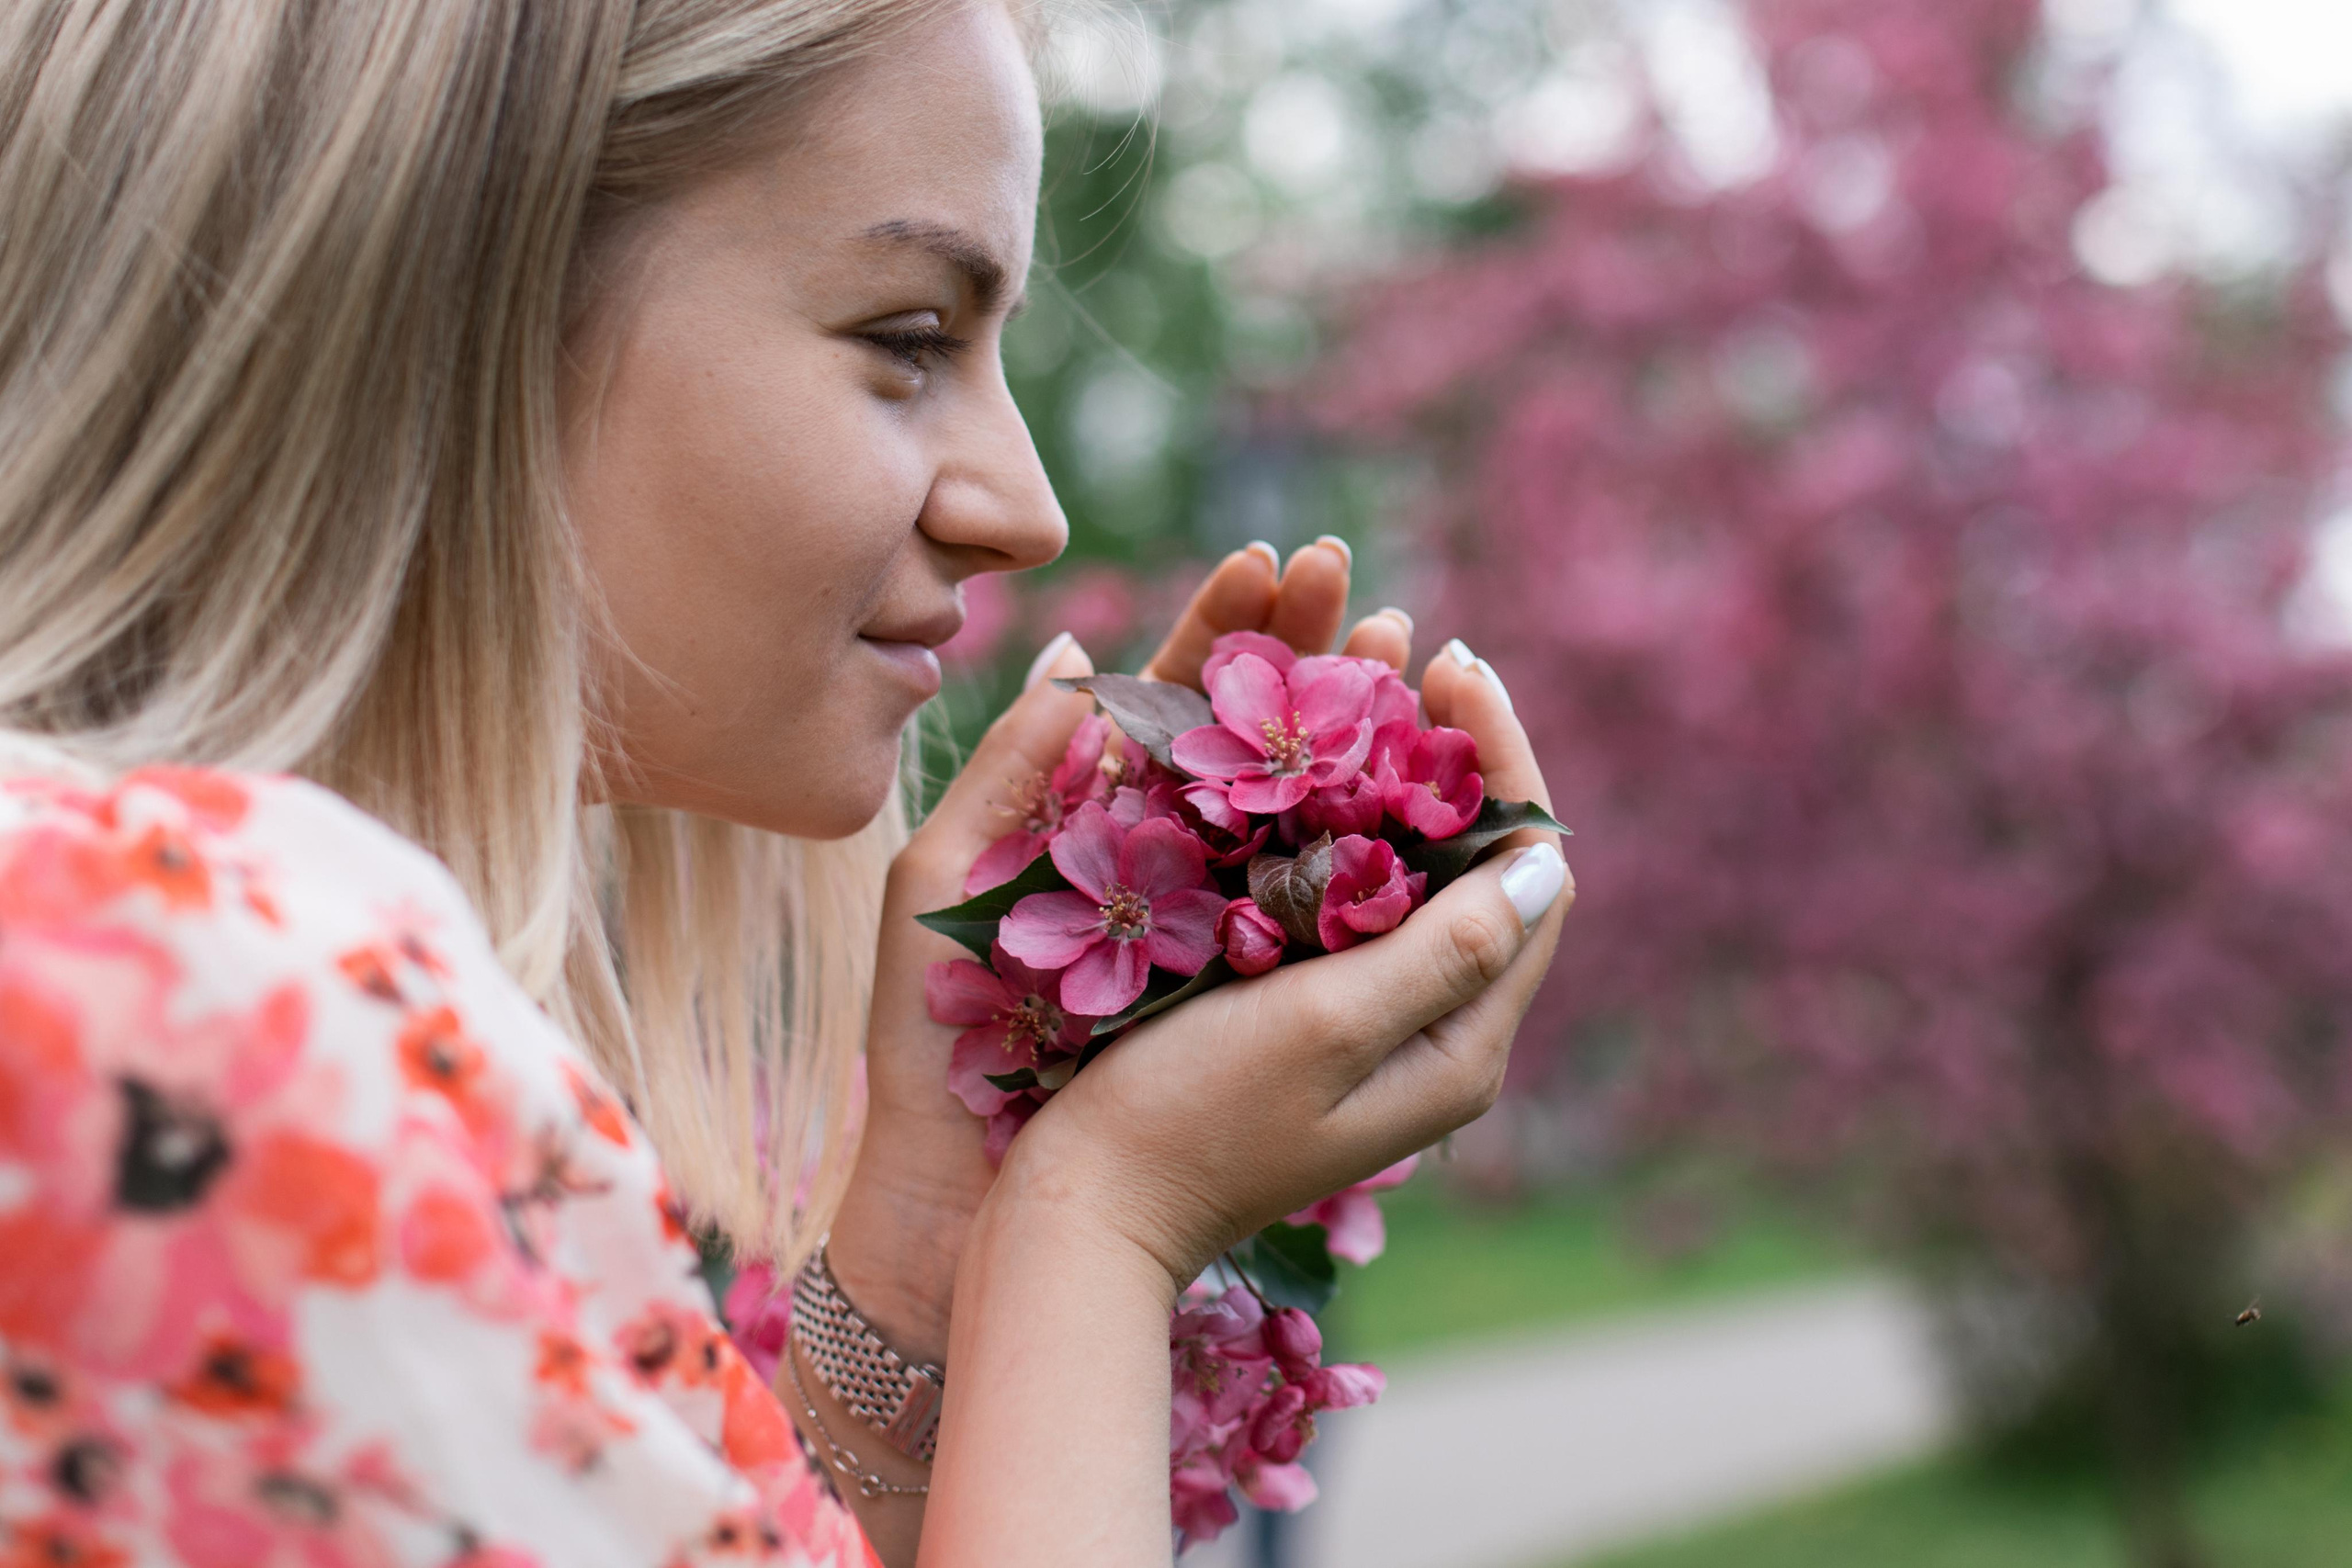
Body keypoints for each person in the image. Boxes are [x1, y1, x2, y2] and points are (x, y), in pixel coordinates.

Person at [0, 1, 1570, 1563]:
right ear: (449, 294)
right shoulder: (206, 1019)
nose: (1025, 509)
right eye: (909, 340)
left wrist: (931, 1229)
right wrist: (1101, 1218)